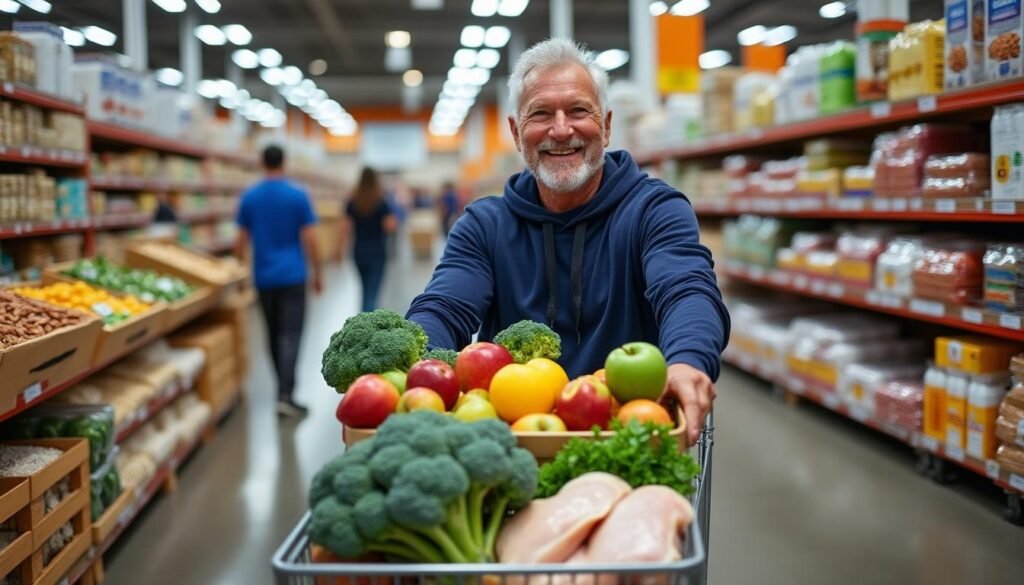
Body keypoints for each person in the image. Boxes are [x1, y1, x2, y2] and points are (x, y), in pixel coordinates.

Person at [405, 39, 730, 444]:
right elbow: (444, 306)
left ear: (607, 126)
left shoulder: (654, 209)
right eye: (540, 114)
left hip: (626, 432)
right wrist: (413, 370)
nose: (561, 130)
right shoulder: (484, 225)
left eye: (579, 111)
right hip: (513, 443)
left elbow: (687, 289)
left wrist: (687, 361)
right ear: (516, 131)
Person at [236, 145, 322, 417]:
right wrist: (318, 271)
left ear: (262, 162)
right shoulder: (297, 195)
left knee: (272, 334)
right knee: (291, 335)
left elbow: (240, 240)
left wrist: (241, 273)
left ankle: (281, 390)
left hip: (264, 278)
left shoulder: (250, 197)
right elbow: (310, 237)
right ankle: (286, 393)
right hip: (293, 276)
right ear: (284, 162)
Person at [342, 167, 397, 312]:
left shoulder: (353, 201)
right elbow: (390, 226)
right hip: (377, 252)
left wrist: (339, 250)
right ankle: (367, 326)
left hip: (359, 251)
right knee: (372, 292)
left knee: (365, 289)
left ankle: (364, 320)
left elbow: (345, 228)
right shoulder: (381, 201)